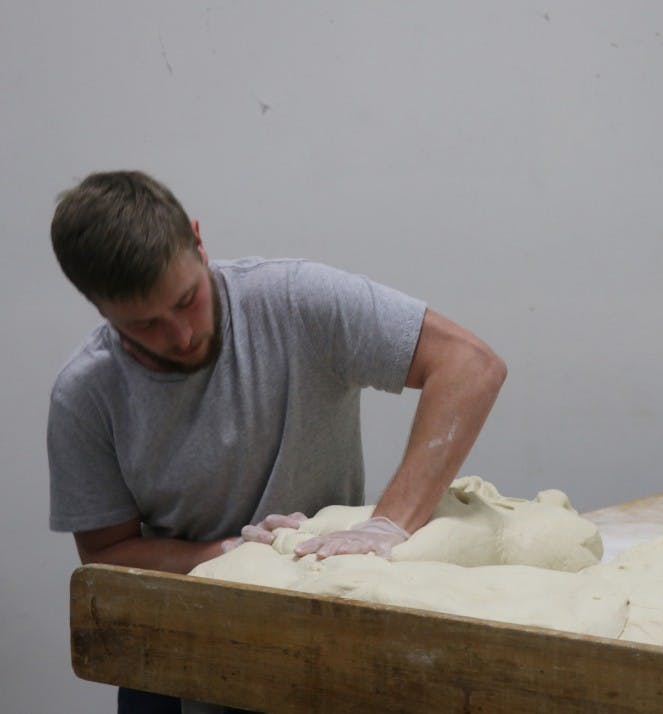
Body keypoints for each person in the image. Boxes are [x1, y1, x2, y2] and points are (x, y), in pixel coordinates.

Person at [47, 170, 507, 713]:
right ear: (100, 309)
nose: (180, 335)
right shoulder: (86, 395)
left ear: (198, 240)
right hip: (180, 653)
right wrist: (220, 554)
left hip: (325, 626)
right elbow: (106, 555)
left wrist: (389, 523)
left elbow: (470, 366)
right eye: (143, 325)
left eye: (187, 300)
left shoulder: (292, 301)